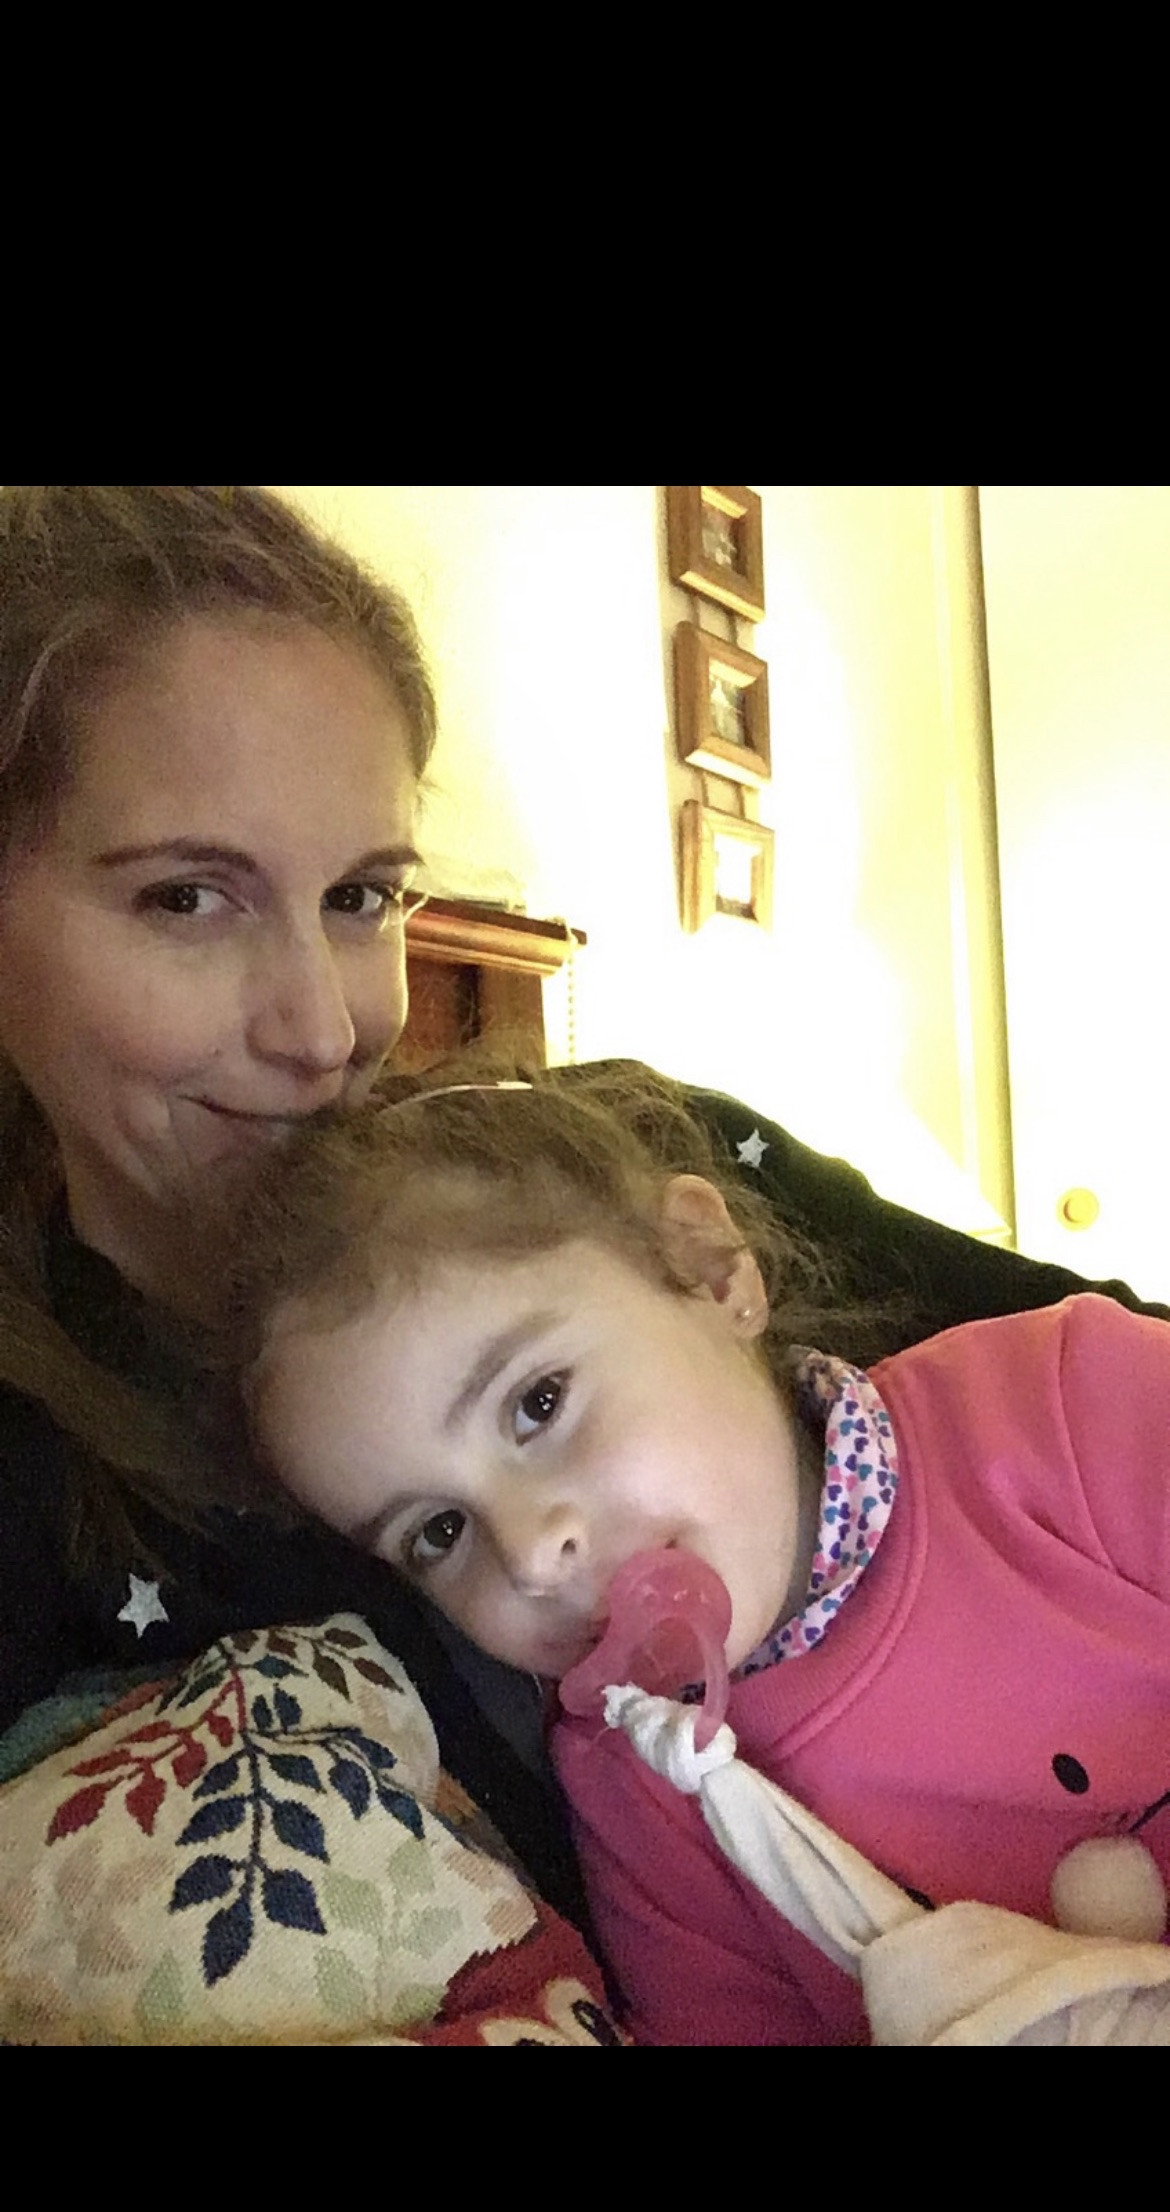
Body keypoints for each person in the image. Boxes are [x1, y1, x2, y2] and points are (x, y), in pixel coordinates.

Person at [1, 483, 1166, 2045]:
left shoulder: (611, 1169)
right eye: (187, 898)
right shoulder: (37, 1489)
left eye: (361, 898)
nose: (322, 1028)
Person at [221, 1061, 1170, 2046]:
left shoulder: (1064, 1402)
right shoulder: (636, 1785)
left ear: (712, 1271)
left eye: (538, 1404)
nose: (533, 1556)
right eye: (439, 1532)